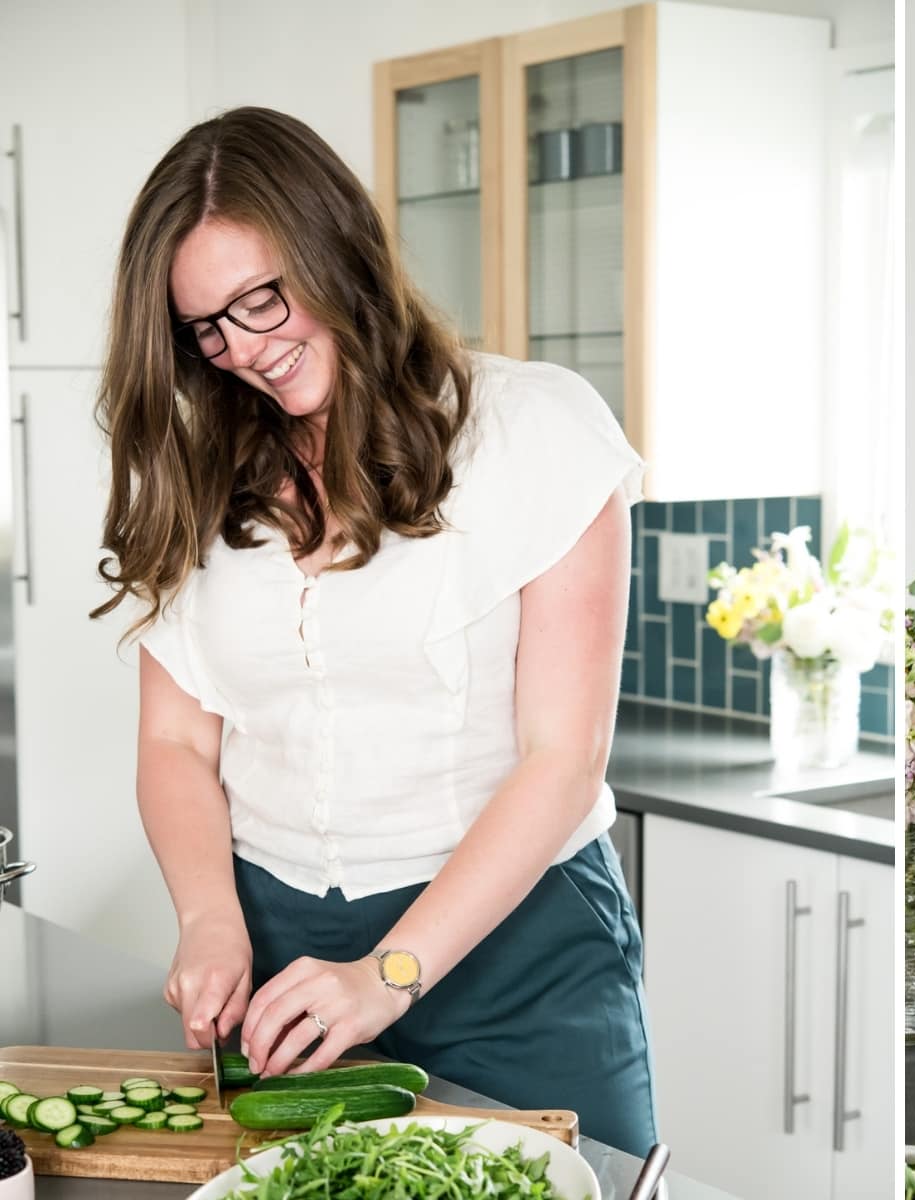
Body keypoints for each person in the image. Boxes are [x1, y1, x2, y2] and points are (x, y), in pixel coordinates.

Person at [91, 106, 656, 1156]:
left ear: (335, 243)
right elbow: (177, 741)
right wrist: (212, 918)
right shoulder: (203, 476)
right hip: (285, 968)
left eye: (263, 299)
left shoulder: (536, 430)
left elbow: (562, 761)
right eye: (209, 329)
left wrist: (387, 975)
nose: (247, 351)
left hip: (519, 953)